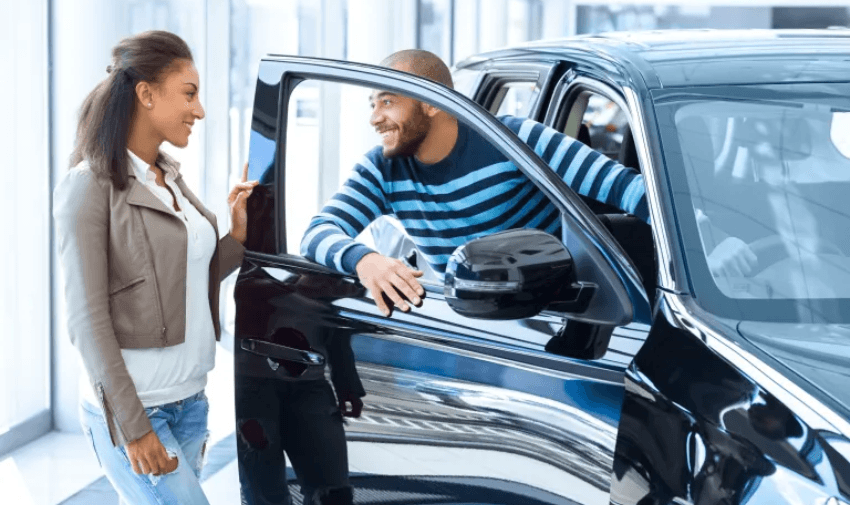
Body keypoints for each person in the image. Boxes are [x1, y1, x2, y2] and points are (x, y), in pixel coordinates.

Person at [53, 30, 258, 504]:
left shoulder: (171, 179)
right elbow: (86, 319)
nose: (200, 110)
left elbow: (189, 277)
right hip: (139, 411)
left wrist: (237, 238)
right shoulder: (88, 187)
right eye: (189, 93)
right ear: (145, 93)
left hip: (191, 402)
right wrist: (133, 426)